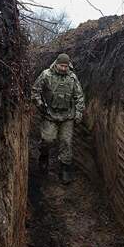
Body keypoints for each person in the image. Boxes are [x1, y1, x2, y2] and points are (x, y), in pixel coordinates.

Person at [31, 53, 85, 184]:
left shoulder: (72, 78)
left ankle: (65, 169)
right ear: (56, 64)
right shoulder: (46, 75)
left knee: (66, 142)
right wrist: (40, 104)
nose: (63, 68)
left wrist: (79, 113)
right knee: (48, 140)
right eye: (61, 65)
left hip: (67, 116)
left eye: (66, 66)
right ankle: (44, 157)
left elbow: (80, 96)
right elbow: (35, 91)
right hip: (50, 114)